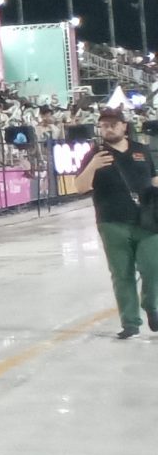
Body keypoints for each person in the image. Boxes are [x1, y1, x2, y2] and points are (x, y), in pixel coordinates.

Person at [86, 108, 158, 339]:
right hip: (111, 221)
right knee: (121, 273)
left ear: (124, 126)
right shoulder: (95, 154)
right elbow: (80, 186)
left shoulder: (142, 151)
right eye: (104, 125)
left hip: (147, 220)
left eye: (113, 124)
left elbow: (154, 180)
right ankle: (130, 322)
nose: (108, 128)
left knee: (152, 267)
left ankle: (151, 306)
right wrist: (93, 165)